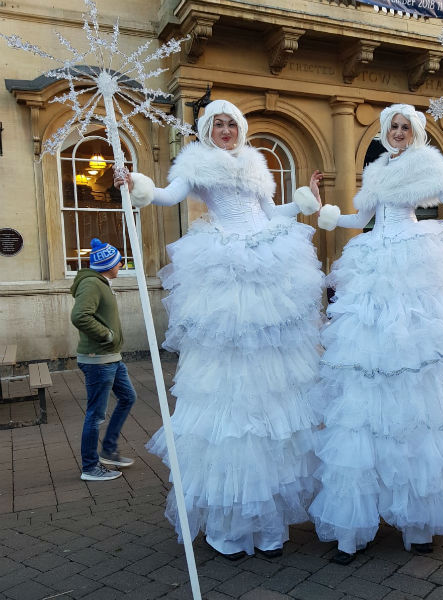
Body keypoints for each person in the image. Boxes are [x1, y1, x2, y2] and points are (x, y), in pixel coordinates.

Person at [115, 100, 323, 560]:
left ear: (241, 129)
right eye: (218, 124)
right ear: (206, 129)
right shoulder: (194, 162)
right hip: (225, 271)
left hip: (266, 266)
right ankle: (230, 529)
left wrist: (304, 201)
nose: (226, 130)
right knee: (230, 390)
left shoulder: (254, 162)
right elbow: (168, 196)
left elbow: (272, 213)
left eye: (232, 124)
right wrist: (137, 185)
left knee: (272, 389)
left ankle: (268, 528)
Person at [307, 103, 443, 564]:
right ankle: (354, 524)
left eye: (405, 127)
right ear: (385, 131)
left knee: (418, 381)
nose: (398, 132)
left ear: (415, 132)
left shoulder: (426, 164)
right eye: (393, 126)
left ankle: (419, 520)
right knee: (367, 380)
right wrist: (326, 214)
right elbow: (361, 220)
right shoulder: (377, 168)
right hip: (375, 261)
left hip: (414, 264)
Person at [70, 238, 136, 481]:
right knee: (95, 415)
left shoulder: (101, 283)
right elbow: (79, 316)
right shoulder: (92, 284)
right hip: (98, 360)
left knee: (128, 397)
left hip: (111, 358)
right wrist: (107, 334)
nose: (120, 265)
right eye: (118, 262)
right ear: (108, 264)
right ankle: (90, 467)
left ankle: (108, 449)